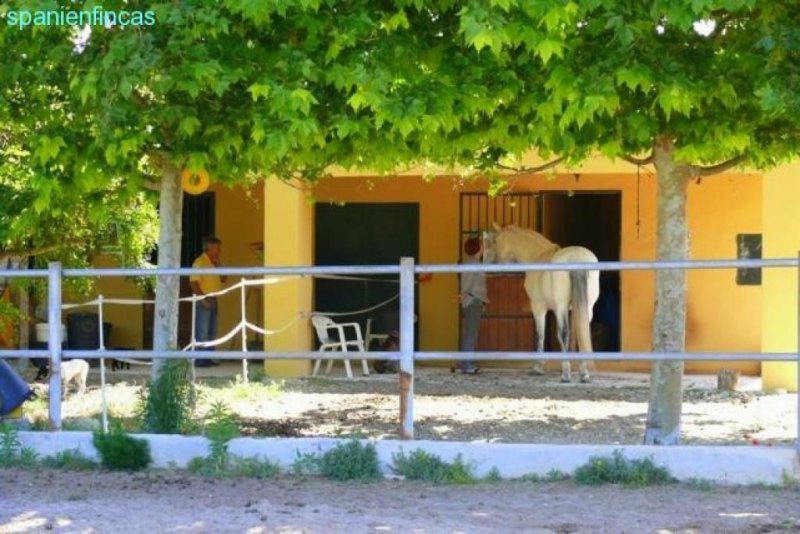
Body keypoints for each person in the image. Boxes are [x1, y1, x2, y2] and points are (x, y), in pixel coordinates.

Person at [190, 236, 227, 368]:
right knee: (203, 331)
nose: (219, 251)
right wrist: (202, 298)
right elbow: (194, 283)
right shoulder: (199, 262)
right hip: (204, 299)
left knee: (212, 331)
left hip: (214, 299)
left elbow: (224, 279)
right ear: (209, 248)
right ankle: (200, 359)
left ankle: (209, 357)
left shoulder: (215, 262)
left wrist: (219, 266)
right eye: (217, 248)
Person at [457, 236, 488, 374]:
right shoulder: (474, 264)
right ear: (478, 248)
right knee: (471, 334)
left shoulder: (471, 263)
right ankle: (467, 364)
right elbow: (468, 283)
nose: (483, 247)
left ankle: (464, 362)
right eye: (482, 245)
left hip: (472, 300)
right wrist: (464, 295)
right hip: (473, 301)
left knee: (469, 333)